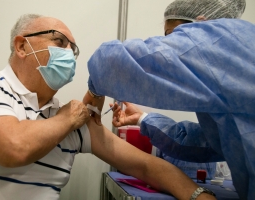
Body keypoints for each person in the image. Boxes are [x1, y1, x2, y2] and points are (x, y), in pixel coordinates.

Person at [0, 14, 215, 200]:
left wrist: (198, 195)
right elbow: (13, 146)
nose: (69, 54)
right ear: (22, 46)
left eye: (74, 49)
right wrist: (67, 119)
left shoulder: (75, 122)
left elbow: (148, 166)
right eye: (60, 42)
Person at [83, 0, 255, 199]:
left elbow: (109, 64)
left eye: (174, 35)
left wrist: (94, 94)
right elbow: (211, 142)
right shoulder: (241, 49)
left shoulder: (218, 42)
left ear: (201, 24)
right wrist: (142, 119)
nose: (171, 44)